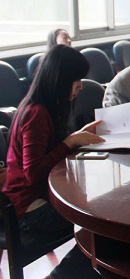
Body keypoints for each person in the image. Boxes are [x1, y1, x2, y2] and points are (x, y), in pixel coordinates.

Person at [2, 45, 105, 278]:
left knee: (103, 220)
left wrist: (75, 137)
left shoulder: (44, 107)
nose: (80, 86)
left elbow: (49, 152)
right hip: (30, 209)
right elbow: (33, 172)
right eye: (76, 80)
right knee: (102, 226)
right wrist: (70, 142)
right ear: (60, 80)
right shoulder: (36, 113)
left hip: (42, 197)